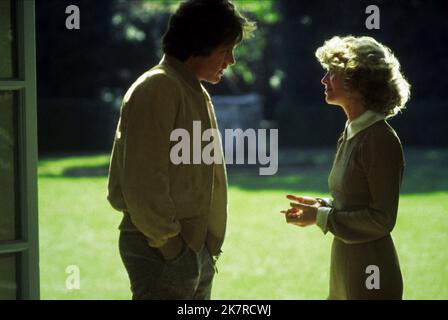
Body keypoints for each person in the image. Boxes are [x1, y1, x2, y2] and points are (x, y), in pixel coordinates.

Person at [107, 0, 254, 300]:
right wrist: (173, 250)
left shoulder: (191, 89)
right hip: (163, 249)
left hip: (189, 249)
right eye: (226, 49)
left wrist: (203, 248)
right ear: (201, 42)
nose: (232, 61)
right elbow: (144, 182)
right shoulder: (158, 87)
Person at [281, 35, 410, 299]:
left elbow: (381, 219)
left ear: (358, 81)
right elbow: (354, 201)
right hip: (346, 265)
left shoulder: (379, 138)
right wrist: (320, 206)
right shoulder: (352, 131)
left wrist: (320, 217)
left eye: (333, 73)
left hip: (369, 273)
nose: (324, 79)